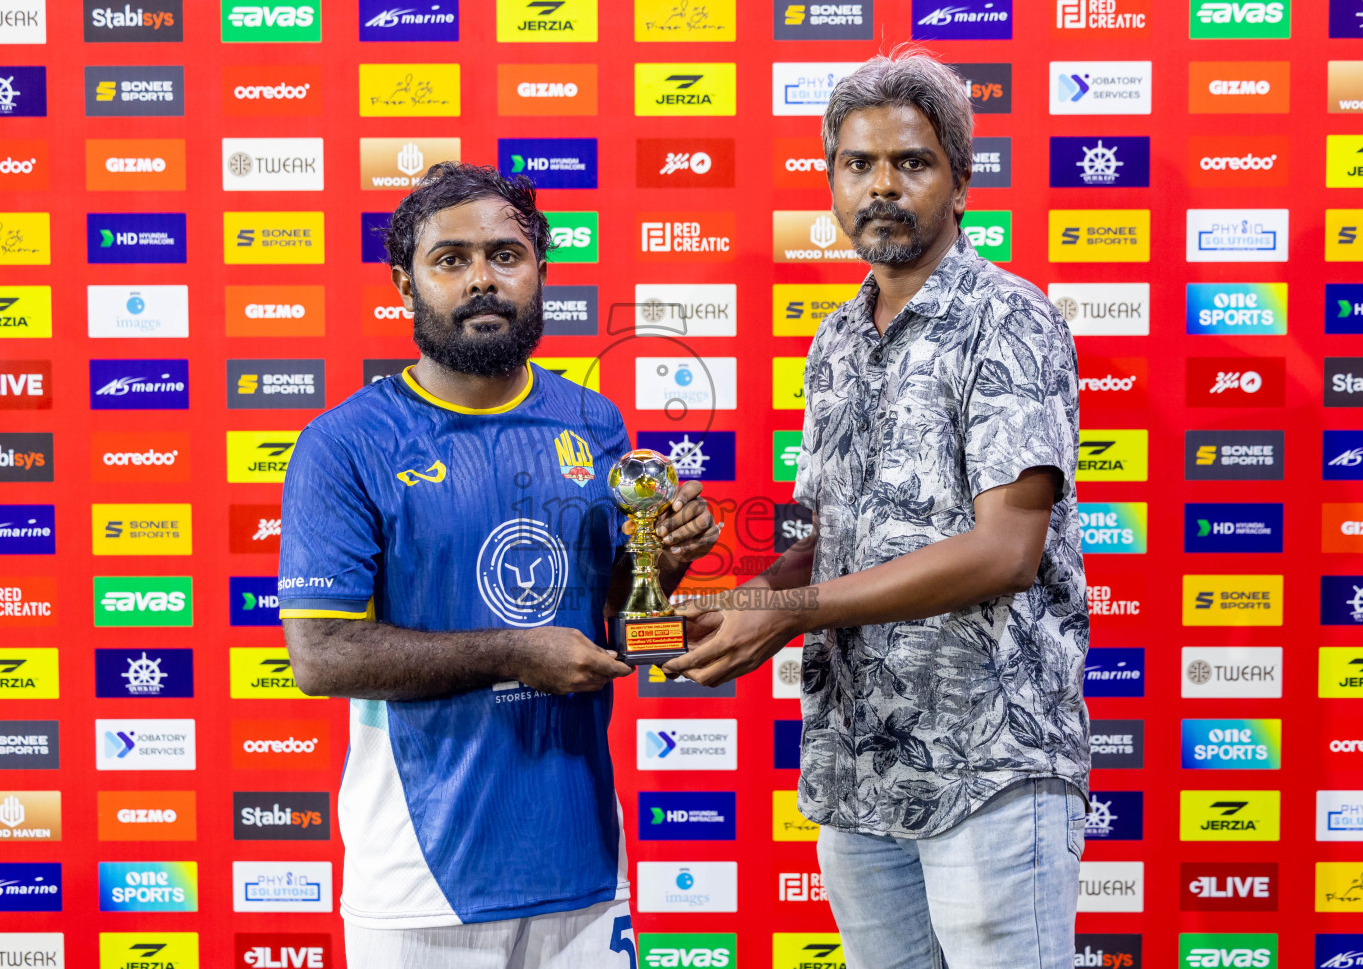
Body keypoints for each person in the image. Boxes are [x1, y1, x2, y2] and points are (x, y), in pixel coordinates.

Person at [664, 47, 1090, 969]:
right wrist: (746, 610)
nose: (882, 187)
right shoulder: (835, 342)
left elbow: (1003, 552)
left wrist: (788, 610)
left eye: (912, 163)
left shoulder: (1009, 317)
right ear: (831, 183)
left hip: (992, 763)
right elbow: (826, 534)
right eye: (858, 165)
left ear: (962, 182)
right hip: (859, 762)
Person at [278, 163, 719, 969]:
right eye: (450, 260)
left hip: (582, 862)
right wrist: (518, 654)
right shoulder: (346, 443)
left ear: (541, 271)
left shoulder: (594, 421)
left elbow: (615, 615)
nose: (482, 279)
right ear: (405, 287)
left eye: (504, 256)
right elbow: (321, 655)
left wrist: (670, 560)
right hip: (421, 880)